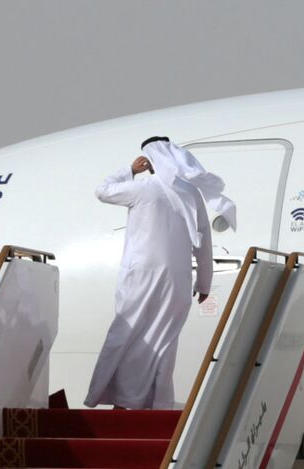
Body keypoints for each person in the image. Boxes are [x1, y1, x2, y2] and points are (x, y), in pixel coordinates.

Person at [86, 135, 234, 410]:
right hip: (177, 279)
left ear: (149, 161)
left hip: (141, 275)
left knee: (127, 335)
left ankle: (116, 397)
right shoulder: (191, 194)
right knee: (165, 340)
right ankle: (158, 401)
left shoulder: (141, 189)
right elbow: (204, 243)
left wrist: (129, 170)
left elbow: (103, 190)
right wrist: (204, 283)